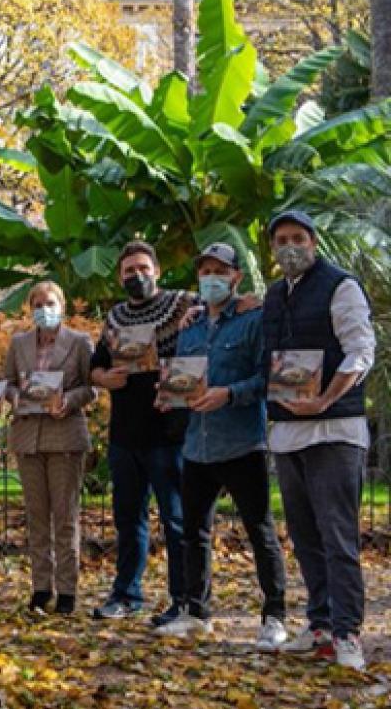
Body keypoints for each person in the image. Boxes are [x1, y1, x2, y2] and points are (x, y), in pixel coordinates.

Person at [150, 243, 288, 651]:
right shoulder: (190, 327)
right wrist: (168, 395)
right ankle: (197, 613)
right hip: (197, 445)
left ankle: (275, 616)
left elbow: (268, 380)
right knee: (194, 533)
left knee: (259, 530)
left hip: (242, 442)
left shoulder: (253, 320)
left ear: (235, 277)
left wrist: (229, 394)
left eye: (220, 270)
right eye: (205, 270)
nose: (211, 277)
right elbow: (183, 379)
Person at [262, 211, 374, 671]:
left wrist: (326, 398)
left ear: (313, 242)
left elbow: (360, 350)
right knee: (306, 537)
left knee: (338, 537)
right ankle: (321, 624)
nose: (290, 246)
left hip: (334, 431)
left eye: (298, 238)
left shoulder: (340, 286)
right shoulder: (274, 294)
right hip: (288, 435)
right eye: (281, 240)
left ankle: (348, 632)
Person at [88, 241, 191, 624]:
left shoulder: (183, 304)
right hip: (124, 434)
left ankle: (184, 598)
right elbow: (94, 367)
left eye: (143, 268)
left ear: (157, 270)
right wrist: (104, 378)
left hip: (169, 432)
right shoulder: (115, 318)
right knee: (128, 520)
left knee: (176, 520)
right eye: (129, 270)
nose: (137, 275)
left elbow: (223, 311)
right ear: (119, 277)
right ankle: (127, 594)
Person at [3, 281, 97, 616]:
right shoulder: (19, 343)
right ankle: (41, 588)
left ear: (62, 305)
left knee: (65, 517)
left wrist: (68, 400)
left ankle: (67, 590)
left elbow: (92, 387)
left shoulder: (79, 342)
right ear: (30, 309)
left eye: (51, 302)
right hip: (28, 436)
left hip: (65, 437)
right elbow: (8, 382)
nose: (44, 308)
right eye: (38, 304)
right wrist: (17, 396)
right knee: (36, 516)